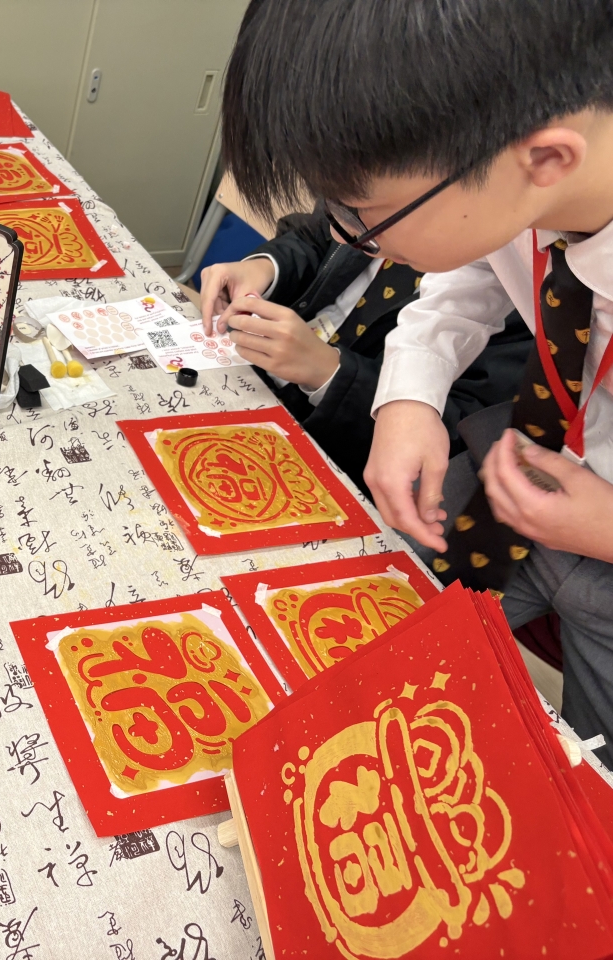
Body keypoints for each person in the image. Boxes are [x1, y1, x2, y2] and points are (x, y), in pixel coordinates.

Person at [216, 0, 613, 762]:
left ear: (547, 161)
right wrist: (408, 395)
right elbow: (482, 264)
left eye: (366, 216)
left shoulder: (505, 172)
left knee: (582, 789)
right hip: (526, 473)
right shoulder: (524, 173)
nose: (350, 239)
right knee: (347, 661)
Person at [199, 205, 532, 495]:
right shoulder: (362, 198)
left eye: (363, 221)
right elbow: (317, 235)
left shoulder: (523, 302)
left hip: (330, 449)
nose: (341, 235)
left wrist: (329, 373)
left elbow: (455, 439)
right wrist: (264, 268)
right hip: (246, 375)